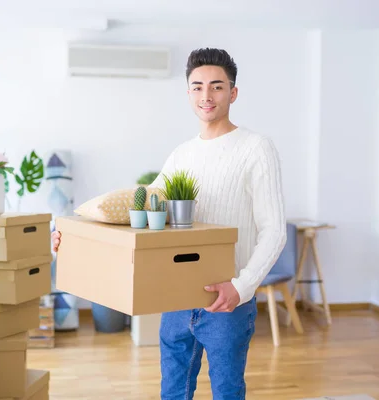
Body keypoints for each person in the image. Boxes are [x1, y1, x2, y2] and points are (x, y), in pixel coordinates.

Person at [51, 47, 286, 400]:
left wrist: (242, 286)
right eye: (197, 86)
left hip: (227, 300)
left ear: (233, 93)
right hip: (176, 295)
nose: (206, 95)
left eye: (217, 86)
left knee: (227, 392)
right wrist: (75, 237)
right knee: (173, 391)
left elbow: (274, 230)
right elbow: (141, 206)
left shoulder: (255, 148)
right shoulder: (182, 154)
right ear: (188, 93)